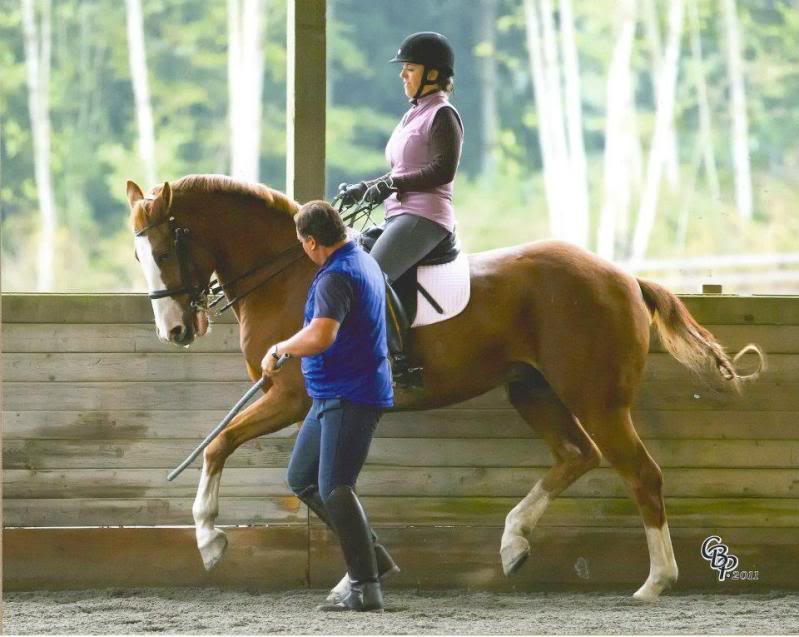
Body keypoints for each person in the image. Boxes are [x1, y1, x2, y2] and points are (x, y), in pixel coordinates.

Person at [262, 200, 396, 612]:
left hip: (349, 394)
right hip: (331, 394)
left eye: (302, 243)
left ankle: (365, 587)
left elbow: (322, 335)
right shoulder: (361, 258)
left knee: (336, 488)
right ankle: (373, 559)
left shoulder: (336, 276)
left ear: (311, 241)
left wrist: (281, 348)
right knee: (302, 478)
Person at [338, 31, 464, 384]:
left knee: (371, 275)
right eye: (404, 68)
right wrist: (367, 188)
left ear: (433, 74)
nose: (402, 74)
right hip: (399, 214)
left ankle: (399, 361)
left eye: (410, 68)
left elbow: (442, 170)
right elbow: (401, 171)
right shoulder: (412, 115)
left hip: (426, 217)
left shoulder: (443, 114)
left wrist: (391, 185)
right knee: (349, 257)